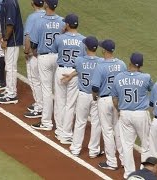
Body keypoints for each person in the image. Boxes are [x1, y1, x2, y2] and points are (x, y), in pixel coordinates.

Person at [111, 52, 153, 178]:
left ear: (129, 63)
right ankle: (144, 174)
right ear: (141, 65)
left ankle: (129, 173)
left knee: (127, 145)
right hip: (141, 114)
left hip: (125, 114)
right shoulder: (146, 77)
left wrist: (119, 110)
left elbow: (114, 99)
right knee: (146, 144)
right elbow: (153, 91)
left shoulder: (118, 77)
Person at [62, 36, 104, 157]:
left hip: (83, 95)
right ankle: (93, 151)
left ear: (86, 47)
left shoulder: (79, 60)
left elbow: (80, 70)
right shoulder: (101, 62)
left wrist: (71, 75)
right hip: (96, 96)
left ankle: (75, 149)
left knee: (80, 121)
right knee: (96, 123)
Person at [91, 39, 126, 170]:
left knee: (107, 131)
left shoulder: (101, 66)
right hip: (118, 100)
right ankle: (124, 160)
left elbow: (95, 87)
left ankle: (111, 162)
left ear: (104, 50)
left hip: (105, 100)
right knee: (119, 130)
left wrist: (95, 97)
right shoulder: (122, 64)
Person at [29, 0, 65, 131]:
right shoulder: (62, 21)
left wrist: (37, 54)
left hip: (44, 56)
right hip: (58, 58)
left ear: (46, 6)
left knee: (47, 91)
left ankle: (46, 122)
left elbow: (33, 44)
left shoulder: (39, 21)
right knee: (60, 92)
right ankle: (61, 126)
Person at [51, 13, 86, 144]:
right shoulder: (83, 40)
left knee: (60, 101)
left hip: (61, 70)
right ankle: (66, 134)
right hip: (74, 73)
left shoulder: (60, 38)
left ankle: (59, 130)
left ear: (67, 24)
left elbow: (55, 50)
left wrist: (62, 34)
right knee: (71, 104)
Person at [0, 0, 23, 104]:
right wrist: (3, 34)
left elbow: (10, 24)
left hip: (13, 40)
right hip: (11, 39)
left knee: (11, 67)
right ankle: (8, 89)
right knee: (9, 66)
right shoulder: (7, 1)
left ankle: (12, 94)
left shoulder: (9, 2)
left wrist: (5, 39)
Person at [23, 0, 45, 118]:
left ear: (33, 4)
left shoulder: (32, 18)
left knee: (34, 81)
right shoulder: (49, 16)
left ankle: (40, 107)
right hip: (48, 55)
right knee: (44, 83)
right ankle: (44, 105)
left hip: (35, 54)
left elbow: (28, 36)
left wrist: (27, 51)